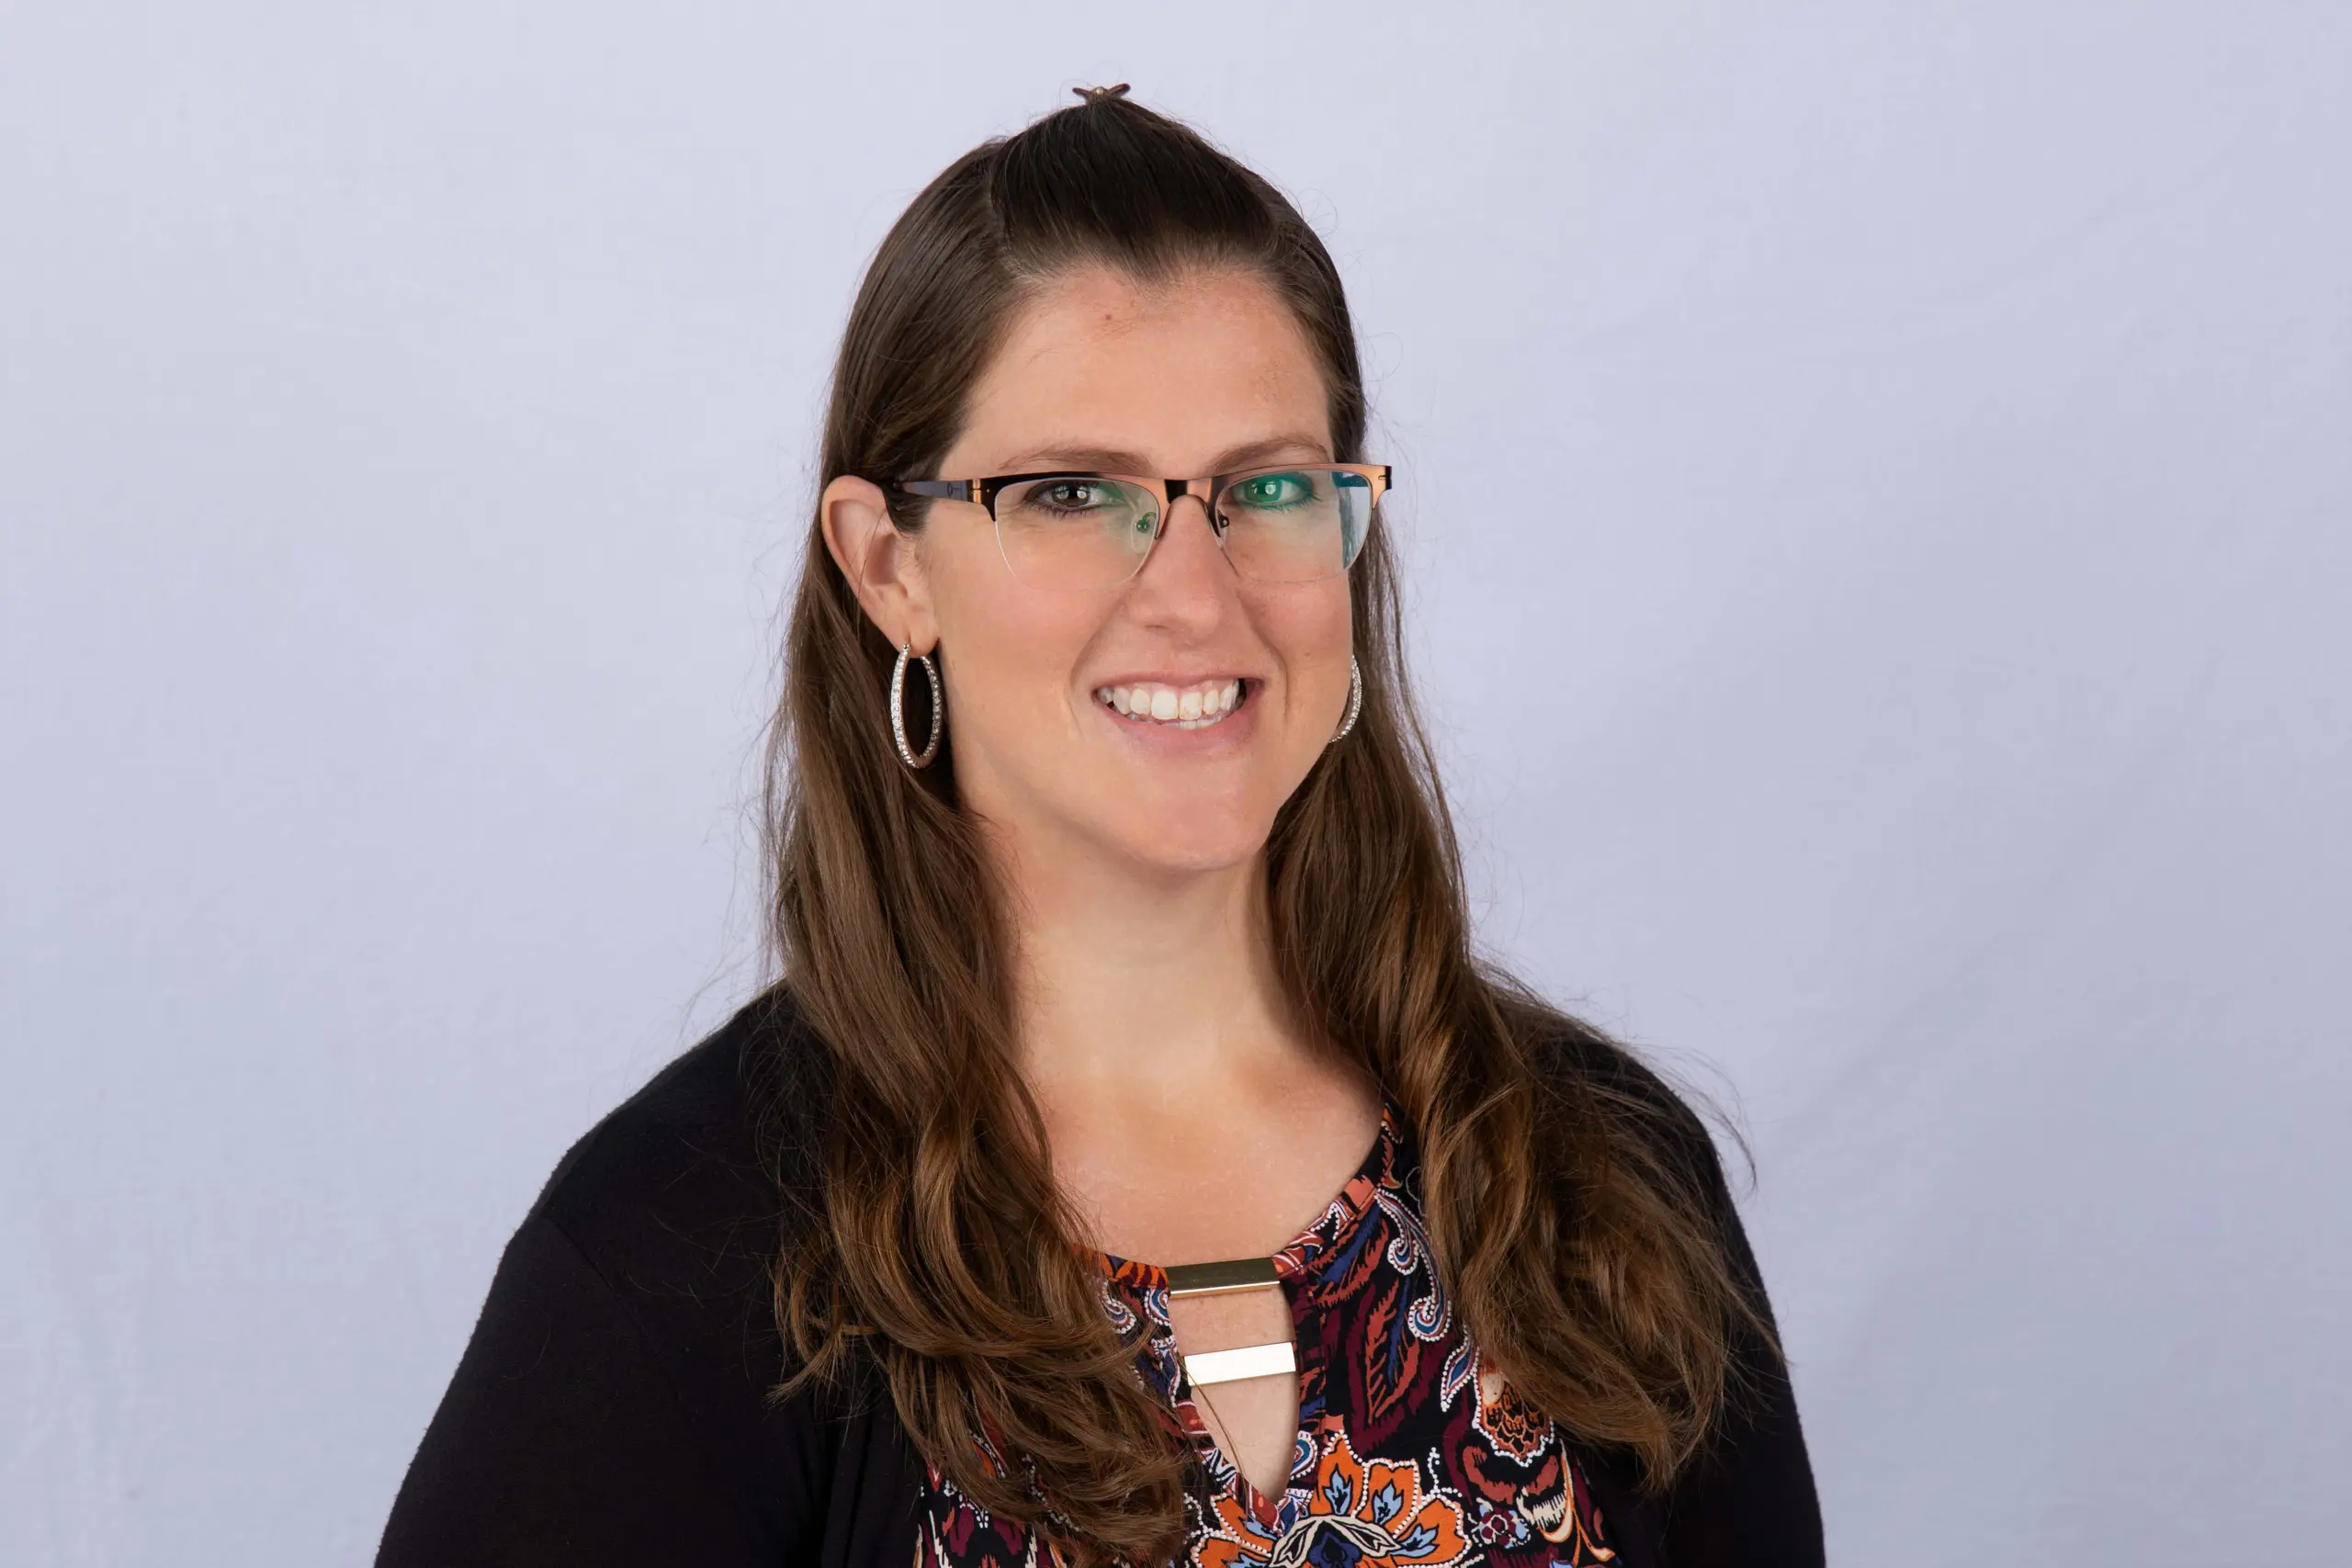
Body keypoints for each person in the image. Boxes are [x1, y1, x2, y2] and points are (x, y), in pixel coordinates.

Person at [378, 87, 1823, 1568]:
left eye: (1266, 487)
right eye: (1076, 492)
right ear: (891, 570)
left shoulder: (1602, 1179)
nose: (1195, 595)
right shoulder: (672, 1261)